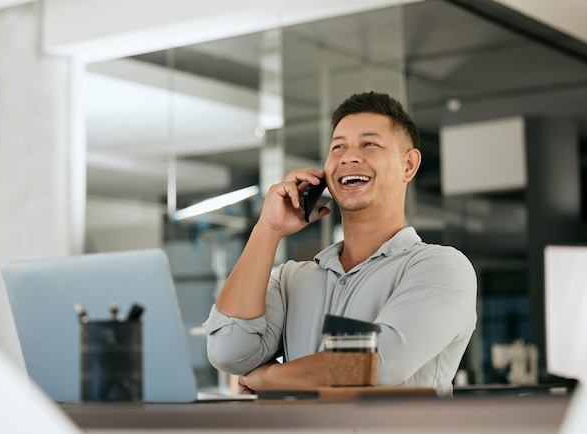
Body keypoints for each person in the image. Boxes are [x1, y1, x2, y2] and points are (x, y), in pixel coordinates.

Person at [203, 91, 477, 396]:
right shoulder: (291, 280)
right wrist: (267, 229)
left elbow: (374, 364)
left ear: (409, 165)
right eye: (338, 147)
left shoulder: (441, 268)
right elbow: (227, 352)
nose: (349, 156)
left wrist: (266, 377)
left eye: (369, 143)